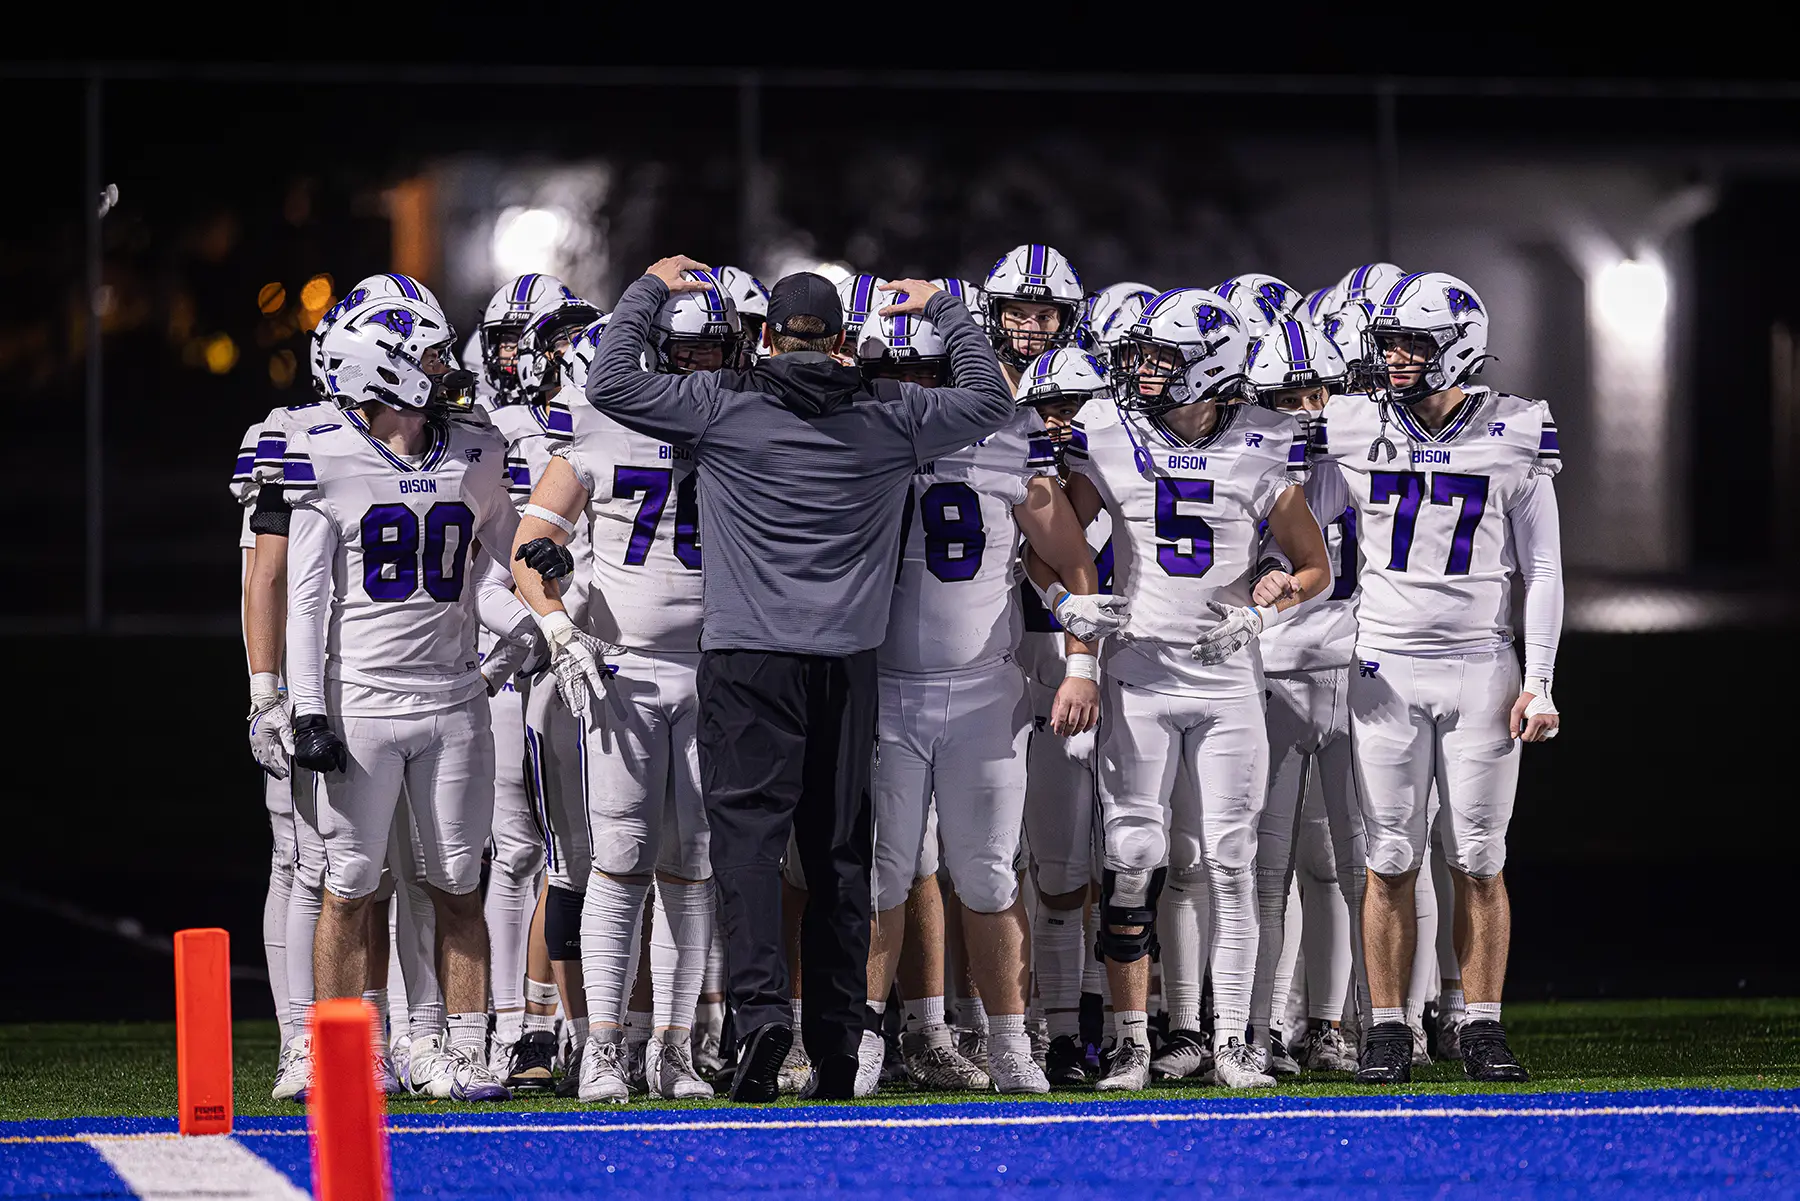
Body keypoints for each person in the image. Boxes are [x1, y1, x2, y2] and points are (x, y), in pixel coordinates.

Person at [574, 256, 1015, 1102]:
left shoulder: (723, 404)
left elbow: (609, 381)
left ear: (769, 337)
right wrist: (946, 309)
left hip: (747, 661)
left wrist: (650, 288)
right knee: (840, 853)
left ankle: (762, 1016)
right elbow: (991, 398)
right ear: (843, 340)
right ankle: (840, 1040)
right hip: (848, 664)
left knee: (747, 849)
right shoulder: (890, 414)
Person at [1059, 287, 1332, 1090]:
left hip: (1227, 679)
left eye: (1160, 359)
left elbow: (1313, 564)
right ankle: (1132, 1042)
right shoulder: (1108, 429)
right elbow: (1055, 539)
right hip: (1139, 670)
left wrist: (1265, 606)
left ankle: (1236, 1040)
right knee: (1132, 854)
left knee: (1232, 858)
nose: (1142, 371)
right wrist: (1068, 612)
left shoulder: (1264, 440)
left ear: (1209, 368)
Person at [858, 301, 1122, 1097]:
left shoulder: (1006, 439)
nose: (907, 387)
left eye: (920, 370)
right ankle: (866, 1037)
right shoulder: (856, 436)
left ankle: (1008, 1043)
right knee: (884, 873)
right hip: (884, 687)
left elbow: (1072, 560)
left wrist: (1081, 663)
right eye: (892, 372)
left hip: (982, 689)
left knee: (988, 875)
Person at [281, 294, 538, 1102]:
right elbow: (306, 599)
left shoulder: (476, 450)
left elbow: (513, 559)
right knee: (350, 882)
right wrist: (305, 707)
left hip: (454, 700)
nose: (446, 370)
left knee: (459, 880)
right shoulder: (324, 450)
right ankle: (343, 1050)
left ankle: (464, 1049)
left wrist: (546, 621)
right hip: (361, 701)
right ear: (383, 368)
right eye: (430, 357)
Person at [1309, 271, 1563, 1085]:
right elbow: (1298, 516)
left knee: (1480, 855)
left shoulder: (1516, 427)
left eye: (1411, 344)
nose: (1394, 358)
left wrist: (1542, 678)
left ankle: (1480, 1022)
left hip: (1482, 666)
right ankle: (1389, 1027)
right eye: (1388, 343)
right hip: (1384, 665)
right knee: (1389, 854)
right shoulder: (1351, 422)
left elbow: (1544, 568)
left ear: (1457, 347)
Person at [509, 276, 741, 1103]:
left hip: (715, 667)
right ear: (657, 353)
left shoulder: (743, 420)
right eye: (690, 350)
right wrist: (559, 630)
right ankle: (604, 1044)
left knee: (694, 860)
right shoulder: (603, 426)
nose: (705, 364)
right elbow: (530, 543)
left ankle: (672, 1048)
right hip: (621, 668)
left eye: (716, 349)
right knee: (618, 855)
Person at [1239, 316, 1371, 1075]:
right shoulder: (1245, 464)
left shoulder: (1372, 460)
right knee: (1265, 869)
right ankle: (1254, 1029)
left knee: (1357, 866)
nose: (1307, 410)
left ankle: (1355, 1026)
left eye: (1318, 393)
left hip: (1354, 672)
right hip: (1273, 673)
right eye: (1289, 397)